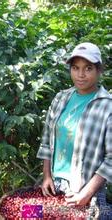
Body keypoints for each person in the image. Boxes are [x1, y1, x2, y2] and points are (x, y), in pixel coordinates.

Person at [36, 42, 112, 218]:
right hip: (54, 185)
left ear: (99, 70)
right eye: (75, 68)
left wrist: (85, 194)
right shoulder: (61, 98)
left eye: (88, 68)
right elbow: (47, 140)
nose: (81, 75)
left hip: (84, 190)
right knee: (28, 213)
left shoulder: (107, 106)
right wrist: (46, 176)